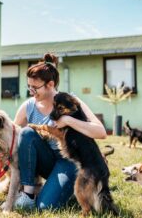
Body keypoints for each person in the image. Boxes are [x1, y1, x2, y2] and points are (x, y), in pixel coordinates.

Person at [13, 53, 107, 210]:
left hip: (69, 162)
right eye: (29, 87)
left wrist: (68, 120)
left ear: (50, 85)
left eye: (35, 88)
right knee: (26, 133)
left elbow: (101, 132)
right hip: (46, 160)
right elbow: (13, 133)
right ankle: (28, 194)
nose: (31, 91)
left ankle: (64, 187)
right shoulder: (28, 106)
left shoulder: (70, 101)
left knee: (45, 207)